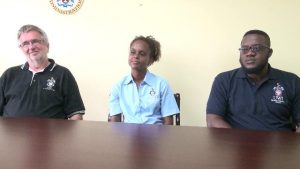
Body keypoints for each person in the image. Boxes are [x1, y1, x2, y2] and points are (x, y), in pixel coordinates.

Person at [206, 29, 300, 132]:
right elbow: (213, 120)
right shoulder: (224, 80)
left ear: (269, 52)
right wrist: (237, 143)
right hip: (236, 145)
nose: (249, 53)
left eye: (256, 48)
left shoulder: (292, 81)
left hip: (280, 145)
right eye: (244, 49)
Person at [0, 24, 85, 120]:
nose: (31, 47)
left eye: (35, 41)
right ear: (21, 48)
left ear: (47, 46)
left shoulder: (63, 74)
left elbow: (76, 114)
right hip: (11, 134)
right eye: (25, 44)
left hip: (51, 134)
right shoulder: (9, 74)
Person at [109, 35, 179, 124]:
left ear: (151, 60)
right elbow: (115, 122)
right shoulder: (119, 86)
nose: (136, 56)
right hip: (128, 135)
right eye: (132, 52)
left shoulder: (161, 85)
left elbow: (168, 124)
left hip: (156, 135)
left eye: (142, 54)